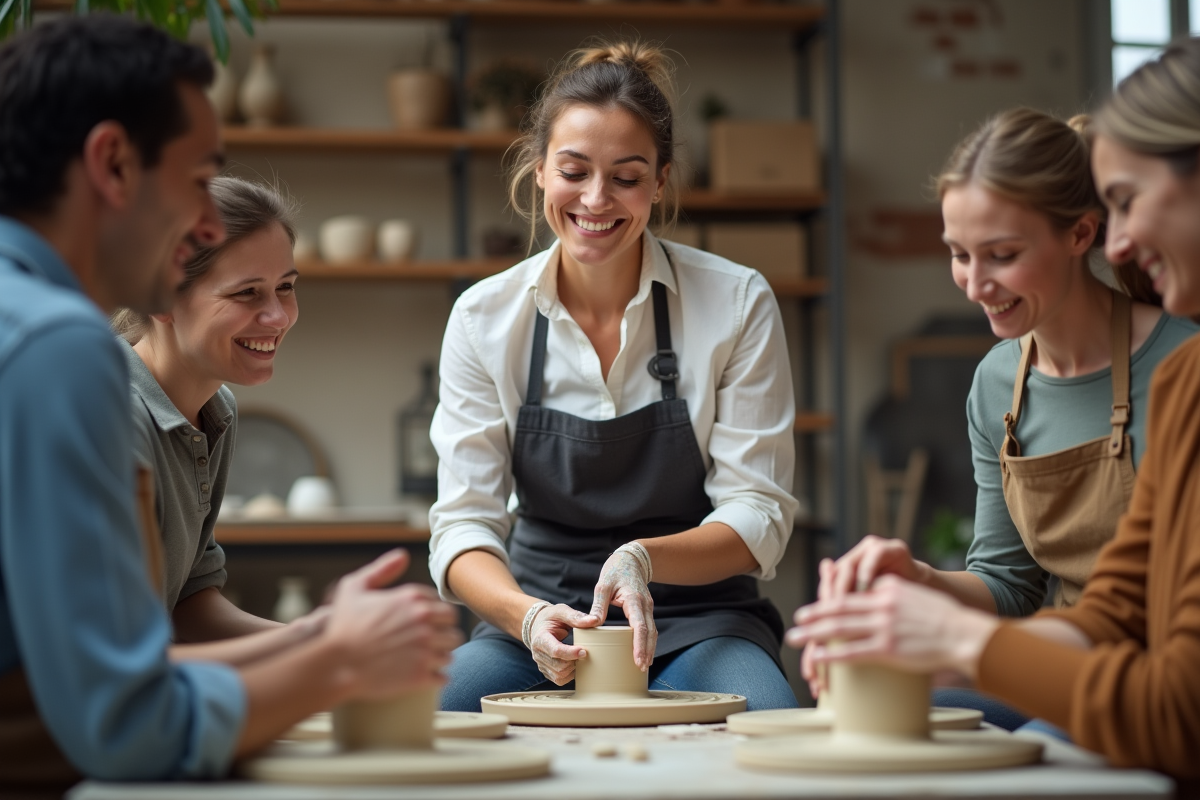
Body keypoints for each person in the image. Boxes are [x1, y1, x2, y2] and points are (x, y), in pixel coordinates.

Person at [0, 17, 460, 794]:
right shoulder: (58, 348)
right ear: (112, 163)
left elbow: (151, 632)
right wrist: (336, 656)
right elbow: (127, 725)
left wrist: (323, 639)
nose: (203, 227)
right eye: (194, 180)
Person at [788, 37, 1200, 785]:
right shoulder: (999, 383)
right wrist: (922, 587)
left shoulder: (1178, 363)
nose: (974, 283)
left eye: (1001, 254)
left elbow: (1168, 680)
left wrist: (961, 642)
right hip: (1070, 650)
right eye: (958, 253)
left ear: (1080, 235)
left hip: (1130, 685)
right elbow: (1054, 596)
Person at [431, 39, 800, 713]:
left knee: (769, 724)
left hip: (698, 621)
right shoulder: (485, 317)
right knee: (425, 724)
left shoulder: (736, 301)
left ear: (660, 182)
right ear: (539, 170)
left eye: (626, 178)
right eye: (574, 171)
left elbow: (760, 513)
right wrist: (527, 616)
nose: (596, 200)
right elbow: (463, 529)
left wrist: (643, 560)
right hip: (537, 625)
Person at [110, 175, 314, 658]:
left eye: (285, 287)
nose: (278, 316)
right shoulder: (110, 416)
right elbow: (116, 660)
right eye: (247, 293)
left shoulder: (216, 410)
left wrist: (317, 638)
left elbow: (189, 603)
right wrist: (323, 655)